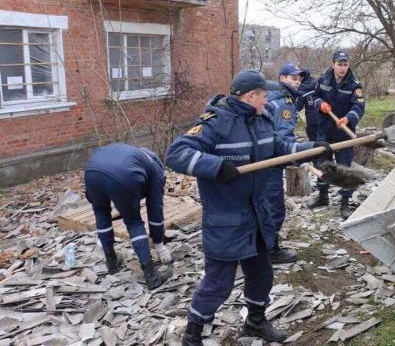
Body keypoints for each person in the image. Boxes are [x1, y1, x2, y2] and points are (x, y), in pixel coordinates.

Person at [166, 70, 331, 345]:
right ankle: (192, 334)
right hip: (226, 218)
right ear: (251, 95)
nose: (268, 101)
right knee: (218, 284)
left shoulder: (262, 121)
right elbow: (177, 153)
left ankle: (255, 321)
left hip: (257, 214)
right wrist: (217, 166)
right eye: (264, 96)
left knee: (261, 273)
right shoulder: (216, 122)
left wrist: (311, 148)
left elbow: (279, 149)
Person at [84, 143, 173, 289]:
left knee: (101, 211)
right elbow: (155, 210)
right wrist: (159, 245)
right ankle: (151, 276)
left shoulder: (134, 154)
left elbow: (90, 197)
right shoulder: (156, 170)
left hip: (92, 171)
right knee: (134, 222)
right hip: (123, 174)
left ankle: (111, 262)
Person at [309, 51, 365, 220]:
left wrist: (348, 118)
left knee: (344, 169)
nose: (342, 68)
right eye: (339, 64)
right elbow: (314, 96)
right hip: (324, 130)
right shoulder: (323, 79)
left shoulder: (354, 84)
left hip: (344, 133)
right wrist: (321, 104)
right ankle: (323, 197)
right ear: (333, 64)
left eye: (345, 64)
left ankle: (345, 204)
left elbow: (359, 107)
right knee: (322, 165)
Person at [265, 63, 304, 264]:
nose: (297, 81)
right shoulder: (284, 102)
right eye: (293, 78)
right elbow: (283, 136)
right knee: (274, 208)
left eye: (299, 79)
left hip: (263, 156)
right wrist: (296, 154)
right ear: (282, 78)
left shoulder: (272, 95)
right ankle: (270, 250)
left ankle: (257, 246)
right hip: (271, 160)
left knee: (262, 205)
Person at [297, 69, 320, 141]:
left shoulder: (302, 88)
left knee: (314, 142)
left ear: (302, 77)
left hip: (312, 120)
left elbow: (298, 107)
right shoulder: (317, 82)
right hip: (325, 117)